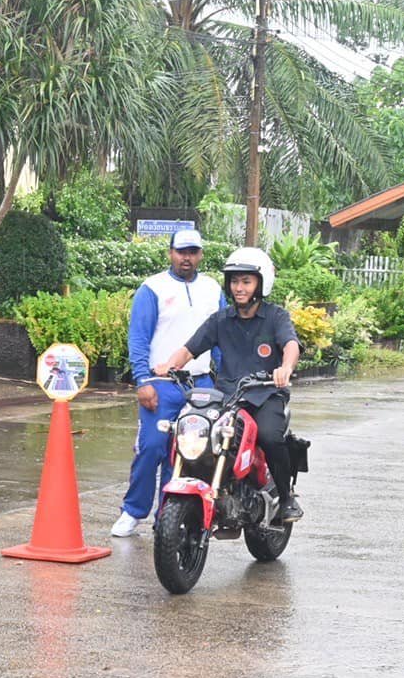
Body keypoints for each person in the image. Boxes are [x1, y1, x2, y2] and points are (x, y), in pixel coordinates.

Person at [152, 247, 304, 522]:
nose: (239, 288)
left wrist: (285, 368)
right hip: (227, 398)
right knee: (195, 432)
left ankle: (286, 498)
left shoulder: (276, 317)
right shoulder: (221, 319)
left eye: (246, 281)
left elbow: (290, 344)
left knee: (270, 436)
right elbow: (189, 349)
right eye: (234, 281)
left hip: (266, 394)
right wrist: (169, 366)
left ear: (261, 284)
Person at [110, 228, 224, 538]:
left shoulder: (213, 289)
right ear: (170, 253)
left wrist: (226, 380)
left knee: (190, 452)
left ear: (201, 254)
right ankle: (133, 511)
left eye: (193, 252)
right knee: (151, 447)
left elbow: (221, 338)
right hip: (161, 382)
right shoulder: (153, 288)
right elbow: (138, 338)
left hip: (200, 385)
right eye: (181, 252)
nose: (187, 258)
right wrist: (142, 381)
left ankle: (168, 518)